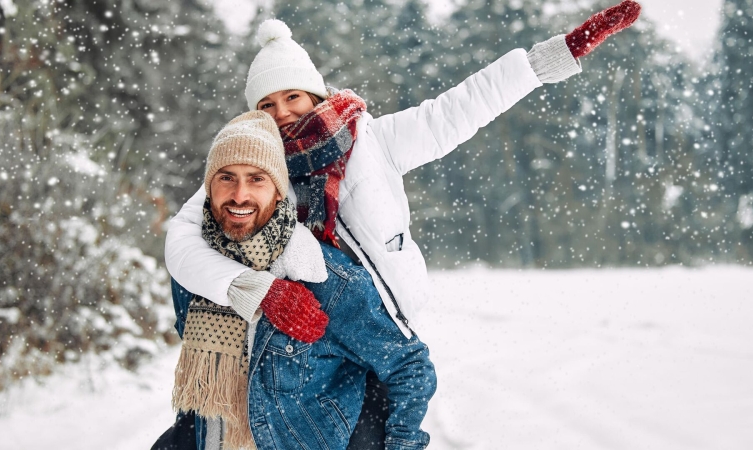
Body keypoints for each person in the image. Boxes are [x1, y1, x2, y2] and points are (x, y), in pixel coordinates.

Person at [165, 1, 642, 446]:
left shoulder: (374, 141)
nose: (283, 113)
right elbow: (183, 241)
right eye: (266, 105)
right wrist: (254, 290)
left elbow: (459, 109)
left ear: (315, 93)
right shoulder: (254, 167)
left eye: (292, 96)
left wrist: (546, 61)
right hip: (313, 344)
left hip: (383, 332)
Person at [170, 110, 436, 450]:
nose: (239, 195)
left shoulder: (326, 278)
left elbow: (410, 366)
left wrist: (402, 444)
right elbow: (204, 395)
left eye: (256, 179)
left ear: (280, 192)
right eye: (226, 178)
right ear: (209, 189)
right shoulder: (192, 276)